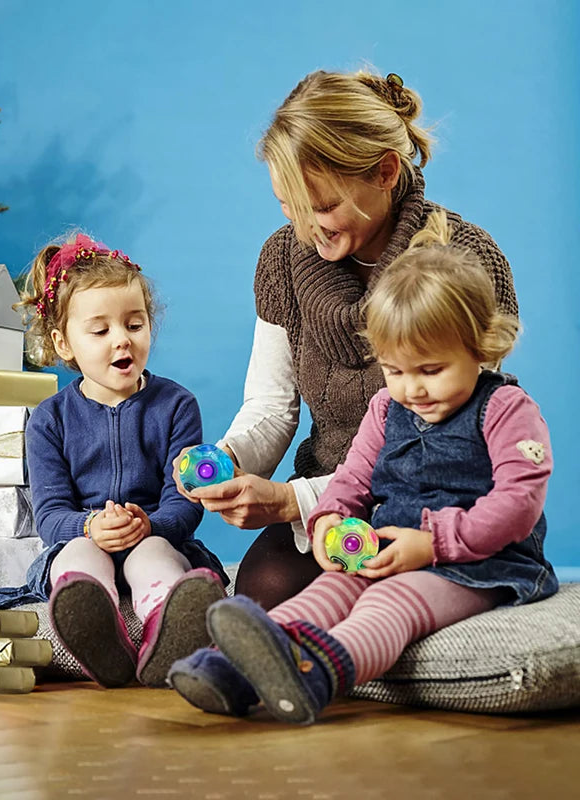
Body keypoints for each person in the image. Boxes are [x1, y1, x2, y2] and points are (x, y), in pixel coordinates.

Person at [167, 210, 557, 724]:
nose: (412, 388)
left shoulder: (505, 409)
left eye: (431, 370)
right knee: (330, 589)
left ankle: (317, 675)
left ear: (479, 344)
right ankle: (232, 669)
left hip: (475, 564)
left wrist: (434, 543)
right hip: (386, 545)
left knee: (390, 603)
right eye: (395, 370)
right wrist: (329, 516)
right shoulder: (387, 407)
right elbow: (353, 477)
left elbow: (517, 503)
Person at [172, 69, 520, 610]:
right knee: (263, 590)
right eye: (287, 204)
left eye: (323, 206)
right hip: (334, 505)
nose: (307, 227)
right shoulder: (283, 259)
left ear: (384, 172)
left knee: (384, 594)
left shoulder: (464, 260)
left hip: (436, 504)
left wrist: (294, 500)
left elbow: (465, 433)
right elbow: (271, 404)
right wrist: (232, 461)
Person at [0, 233, 228, 689]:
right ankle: (96, 627)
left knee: (152, 556)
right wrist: (90, 527)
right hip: (84, 539)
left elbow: (185, 503)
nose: (121, 341)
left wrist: (150, 526)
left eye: (135, 324)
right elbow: (50, 516)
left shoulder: (177, 406)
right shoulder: (49, 420)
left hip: (154, 537)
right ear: (63, 343)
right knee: (79, 555)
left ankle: (167, 627)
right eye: (100, 330)